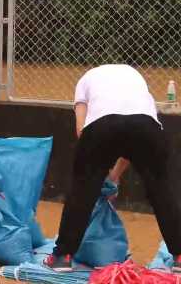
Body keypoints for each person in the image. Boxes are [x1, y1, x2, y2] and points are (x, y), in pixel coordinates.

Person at [44, 64, 181, 272]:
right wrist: (114, 177)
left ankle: (63, 256)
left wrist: (97, 175)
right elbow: (131, 138)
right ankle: (180, 256)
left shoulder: (85, 80)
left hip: (102, 127)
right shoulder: (136, 77)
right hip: (146, 126)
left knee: (82, 190)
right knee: (163, 192)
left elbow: (81, 130)